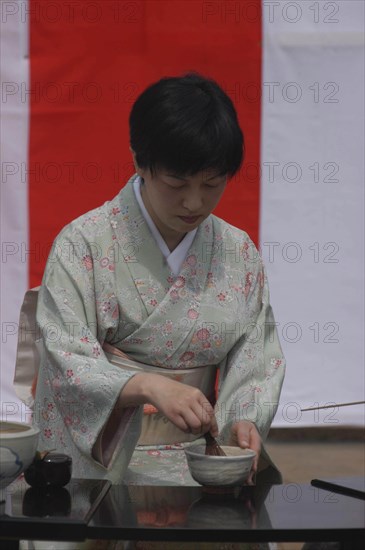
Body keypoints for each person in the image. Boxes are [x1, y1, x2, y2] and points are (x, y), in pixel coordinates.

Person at [31, 71, 285, 494]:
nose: (195, 202)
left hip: (199, 463)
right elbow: (66, 358)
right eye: (176, 183)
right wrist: (146, 385)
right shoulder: (84, 244)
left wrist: (244, 419)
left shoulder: (237, 252)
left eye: (212, 184)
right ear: (140, 162)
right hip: (102, 465)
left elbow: (254, 357)